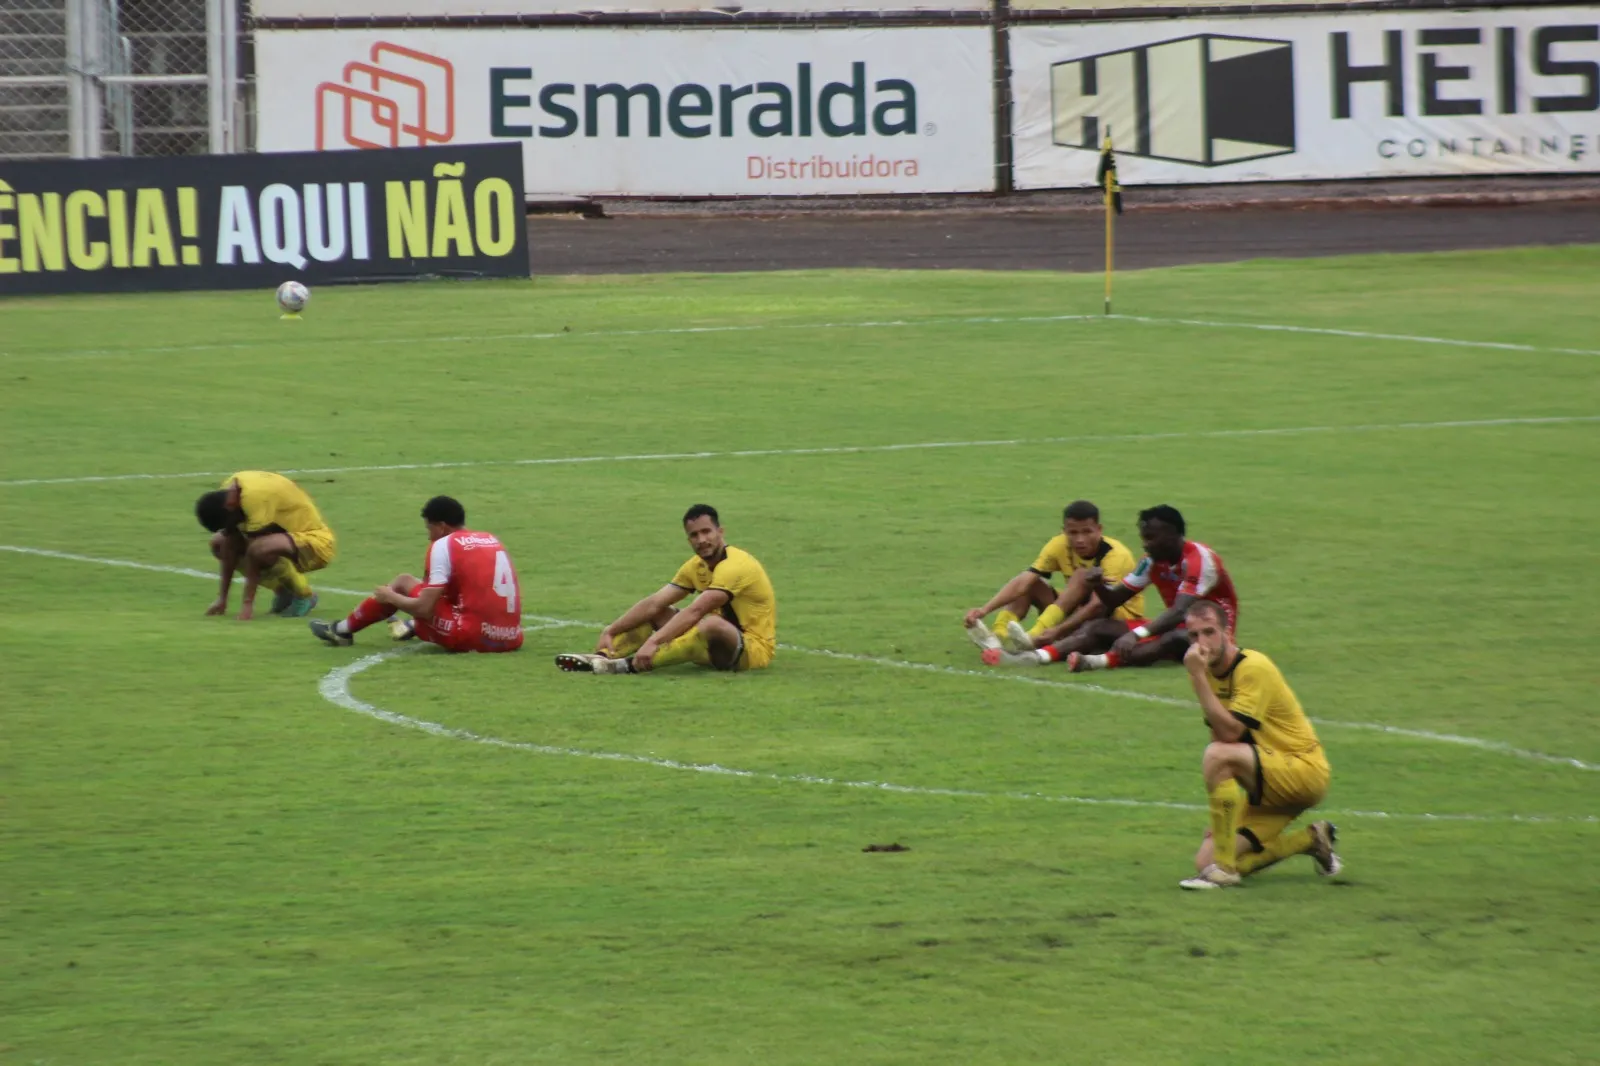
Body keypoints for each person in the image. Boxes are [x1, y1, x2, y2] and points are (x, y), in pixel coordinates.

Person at [1177, 599, 1339, 890]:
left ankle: (1225, 871)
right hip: (1266, 784)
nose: (1201, 642)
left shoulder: (1252, 667)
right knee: (1205, 861)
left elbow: (1230, 735)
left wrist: (1198, 677)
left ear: (1228, 633)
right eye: (1193, 635)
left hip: (1303, 772)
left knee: (1216, 755)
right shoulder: (1205, 672)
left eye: (1209, 632)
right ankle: (1311, 839)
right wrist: (1224, 822)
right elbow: (1222, 739)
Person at [986, 504, 1236, 672]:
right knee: (1096, 627)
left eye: (1150, 538)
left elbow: (1181, 611)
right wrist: (1098, 586)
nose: (1145, 545)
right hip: (1172, 622)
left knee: (1177, 637)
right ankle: (1036, 656)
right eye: (1143, 538)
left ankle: (1097, 661)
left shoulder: (1200, 559)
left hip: (1209, 631)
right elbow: (1115, 598)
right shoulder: (1151, 561)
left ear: (1172, 535)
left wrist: (1136, 634)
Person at [556, 503, 775, 675]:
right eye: (694, 535)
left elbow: (696, 611)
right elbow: (654, 603)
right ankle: (603, 657)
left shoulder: (736, 565)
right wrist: (610, 630)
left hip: (750, 651)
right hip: (710, 645)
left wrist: (654, 641)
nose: (702, 540)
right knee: (656, 612)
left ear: (720, 531)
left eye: (707, 532)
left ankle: (627, 666)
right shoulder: (695, 566)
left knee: (711, 624)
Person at [308, 495, 523, 653]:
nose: (429, 537)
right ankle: (410, 626)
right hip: (511, 637)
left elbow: (424, 607)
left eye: (429, 529)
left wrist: (389, 597)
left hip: (472, 637)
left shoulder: (443, 545)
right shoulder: (490, 538)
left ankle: (342, 631)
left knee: (403, 583)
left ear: (441, 526)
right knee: (426, 590)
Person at [963, 500, 1148, 656]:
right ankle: (998, 637)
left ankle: (1035, 635)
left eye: (1087, 532)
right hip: (1076, 613)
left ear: (1099, 529)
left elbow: (1098, 605)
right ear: (1064, 531)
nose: (1080, 539)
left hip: (1113, 620)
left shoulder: (1116, 555)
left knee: (1082, 576)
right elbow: (1023, 582)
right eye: (1073, 533)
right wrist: (983, 610)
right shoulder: (1058, 544)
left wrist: (1057, 631)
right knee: (1033, 582)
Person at [195, 470, 336, 620]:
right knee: (219, 543)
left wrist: (247, 604)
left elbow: (253, 553)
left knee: (260, 549)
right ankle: (283, 590)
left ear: (230, 507)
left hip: (315, 542)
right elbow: (229, 544)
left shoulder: (255, 500)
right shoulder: (229, 493)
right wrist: (222, 599)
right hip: (285, 538)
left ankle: (304, 594)